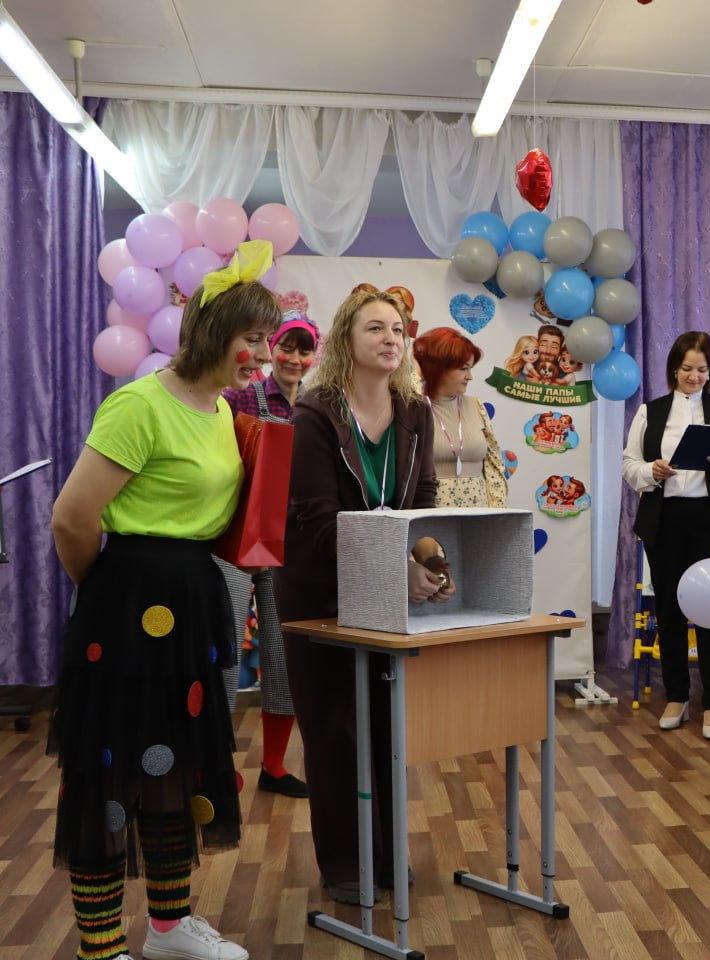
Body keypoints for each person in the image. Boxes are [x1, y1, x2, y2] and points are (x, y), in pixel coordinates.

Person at [49, 241, 280, 960]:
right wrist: (107, 596)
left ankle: (171, 930)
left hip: (190, 602)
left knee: (177, 765)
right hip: (128, 604)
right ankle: (100, 947)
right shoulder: (139, 404)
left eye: (267, 340)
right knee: (112, 770)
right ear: (213, 331)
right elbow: (72, 520)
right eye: (252, 338)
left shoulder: (219, 412)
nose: (263, 355)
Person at [276, 287, 453, 905]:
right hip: (318, 591)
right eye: (375, 327)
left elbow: (422, 498)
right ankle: (347, 864)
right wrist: (397, 567)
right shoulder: (315, 411)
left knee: (384, 728)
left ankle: (387, 855)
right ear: (345, 341)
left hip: (384, 589)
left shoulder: (414, 409)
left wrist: (431, 561)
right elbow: (318, 520)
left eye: (398, 329)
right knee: (334, 732)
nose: (391, 338)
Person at [622, 331, 710, 740]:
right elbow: (629, 466)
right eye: (687, 369)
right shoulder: (650, 411)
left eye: (702, 370)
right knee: (669, 611)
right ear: (673, 369)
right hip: (666, 518)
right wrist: (652, 471)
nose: (695, 377)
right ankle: (676, 696)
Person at [217, 311, 321, 799]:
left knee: (285, 655)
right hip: (236, 539)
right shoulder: (239, 397)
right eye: (287, 348)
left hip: (292, 545)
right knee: (222, 652)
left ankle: (275, 767)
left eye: (305, 351)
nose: (295, 359)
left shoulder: (320, 406)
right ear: (271, 350)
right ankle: (215, 766)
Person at [413, 326, 508, 508]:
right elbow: (404, 393)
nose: (470, 377)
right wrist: (417, 372)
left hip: (479, 517)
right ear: (438, 369)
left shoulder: (476, 406)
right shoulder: (414, 408)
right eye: (464, 369)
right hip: (431, 515)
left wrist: (497, 512)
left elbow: (494, 466)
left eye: (470, 368)